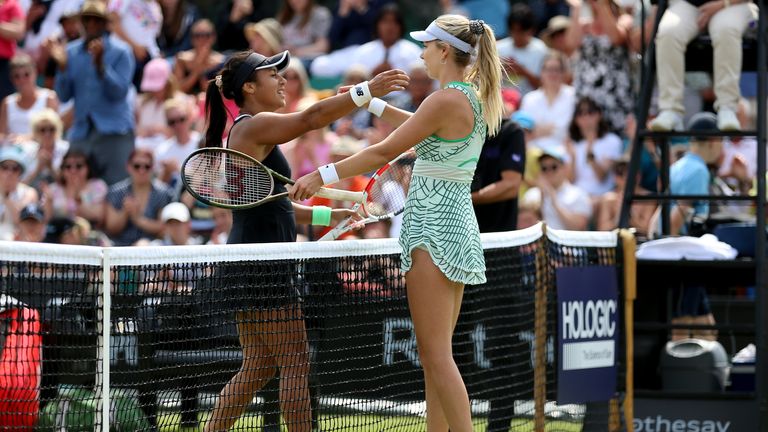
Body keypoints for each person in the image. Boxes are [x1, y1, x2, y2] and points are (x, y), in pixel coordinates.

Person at [291, 15, 502, 431]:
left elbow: (381, 152)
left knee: (436, 356)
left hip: (434, 229)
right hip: (452, 225)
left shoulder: (445, 101)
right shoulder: (465, 99)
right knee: (434, 356)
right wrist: (369, 103)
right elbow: (418, 129)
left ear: (444, 52)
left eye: (426, 45)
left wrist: (321, 176)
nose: (421, 53)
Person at [200, 49, 406, 432]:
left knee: (260, 364)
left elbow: (279, 208)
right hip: (262, 263)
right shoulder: (253, 126)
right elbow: (313, 117)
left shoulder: (248, 131)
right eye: (272, 74)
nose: (282, 79)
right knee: (295, 360)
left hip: (251, 259)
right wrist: (367, 91)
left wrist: (335, 215)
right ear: (248, 87)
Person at [469, 117, 525, 432]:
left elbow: (511, 184)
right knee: (454, 345)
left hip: (500, 253)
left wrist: (467, 198)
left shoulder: (511, 132)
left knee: (502, 348)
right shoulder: (461, 125)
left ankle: (498, 427)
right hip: (461, 247)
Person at [49, 0, 136, 186]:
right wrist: (62, 69)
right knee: (74, 185)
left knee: (117, 187)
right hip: (82, 131)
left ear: (105, 24)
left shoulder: (122, 51)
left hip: (114, 131)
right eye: (87, 20)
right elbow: (63, 95)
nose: (91, 25)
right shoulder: (70, 52)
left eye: (96, 20)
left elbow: (119, 93)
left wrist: (100, 67)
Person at [648, 0, 759, 131]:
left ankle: (728, 108)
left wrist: (722, 4)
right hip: (688, 5)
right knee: (669, 32)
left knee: (726, 29)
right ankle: (670, 110)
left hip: (735, 4)